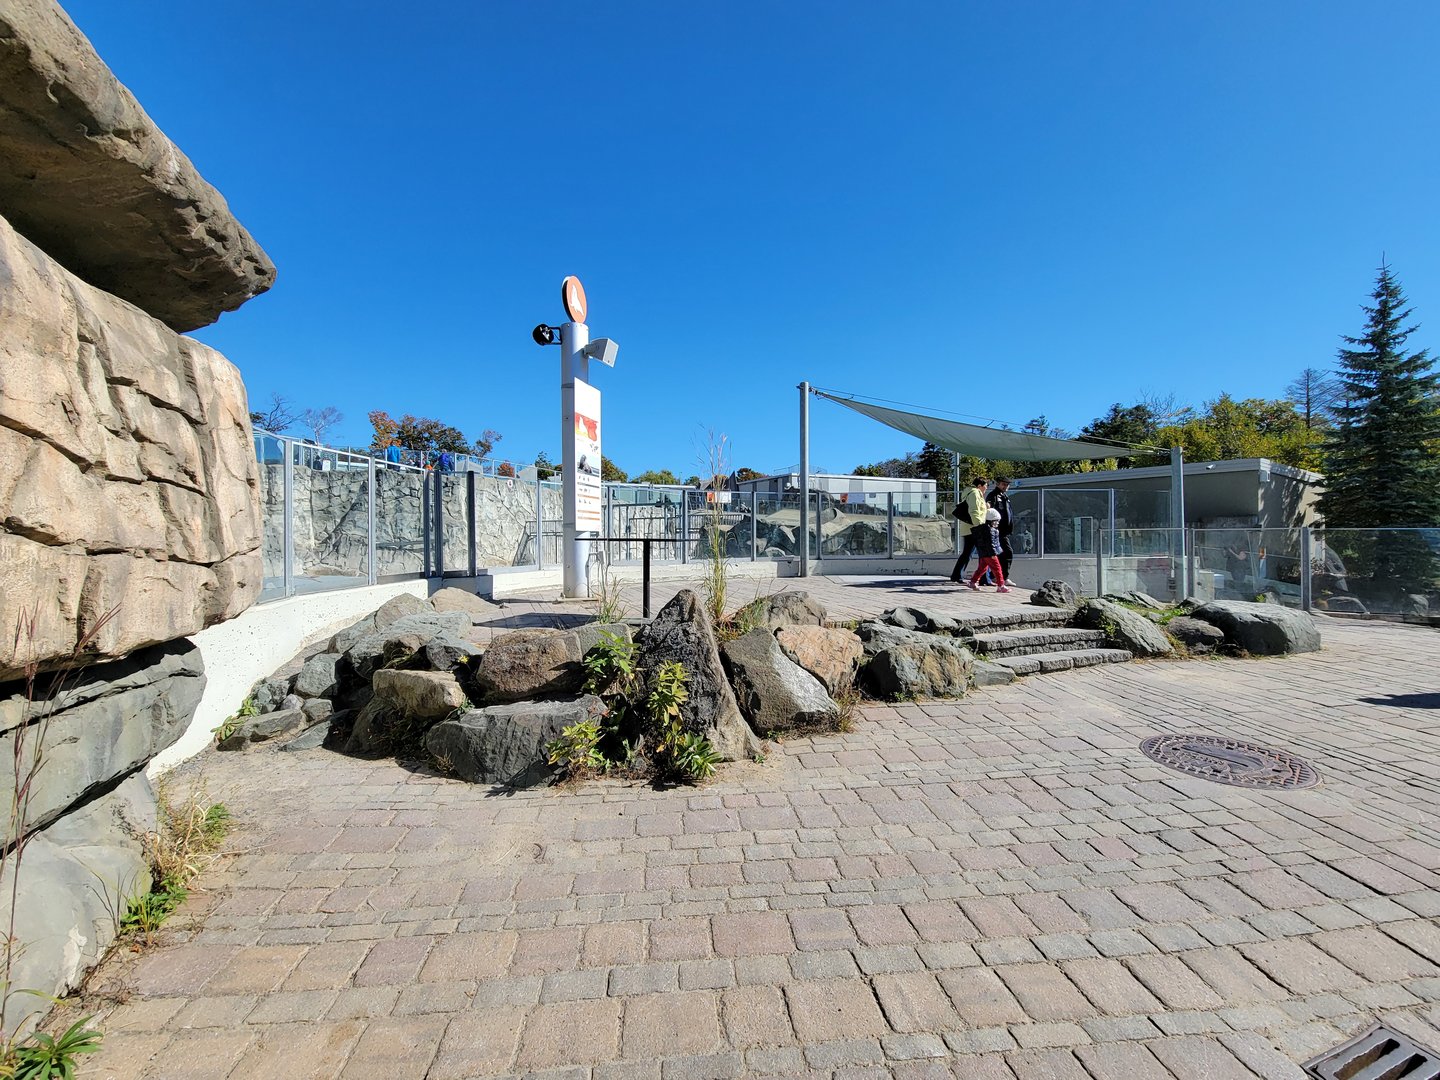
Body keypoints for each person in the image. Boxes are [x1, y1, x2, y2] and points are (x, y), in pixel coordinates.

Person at [949, 477, 989, 584]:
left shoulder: (973, 493)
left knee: (968, 553)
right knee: (984, 553)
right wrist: (980, 527)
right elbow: (974, 511)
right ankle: (984, 578)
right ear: (979, 485)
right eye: (985, 485)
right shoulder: (975, 493)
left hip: (970, 528)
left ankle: (957, 575)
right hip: (974, 529)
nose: (986, 488)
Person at [982, 477, 1016, 586]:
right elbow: (989, 510)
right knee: (1007, 552)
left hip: (1004, 530)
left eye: (1007, 485)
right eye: (1003, 484)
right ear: (998, 484)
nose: (1005, 486)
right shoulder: (993, 495)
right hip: (997, 530)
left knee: (999, 554)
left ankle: (994, 576)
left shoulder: (1005, 496)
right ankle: (1002, 577)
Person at [968, 508, 1011, 593]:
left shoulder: (983, 530)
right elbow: (990, 544)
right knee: (997, 569)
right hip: (990, 554)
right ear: (991, 521)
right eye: (996, 521)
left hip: (984, 553)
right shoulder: (990, 531)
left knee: (982, 569)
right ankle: (1001, 585)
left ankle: (972, 582)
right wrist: (993, 553)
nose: (998, 523)